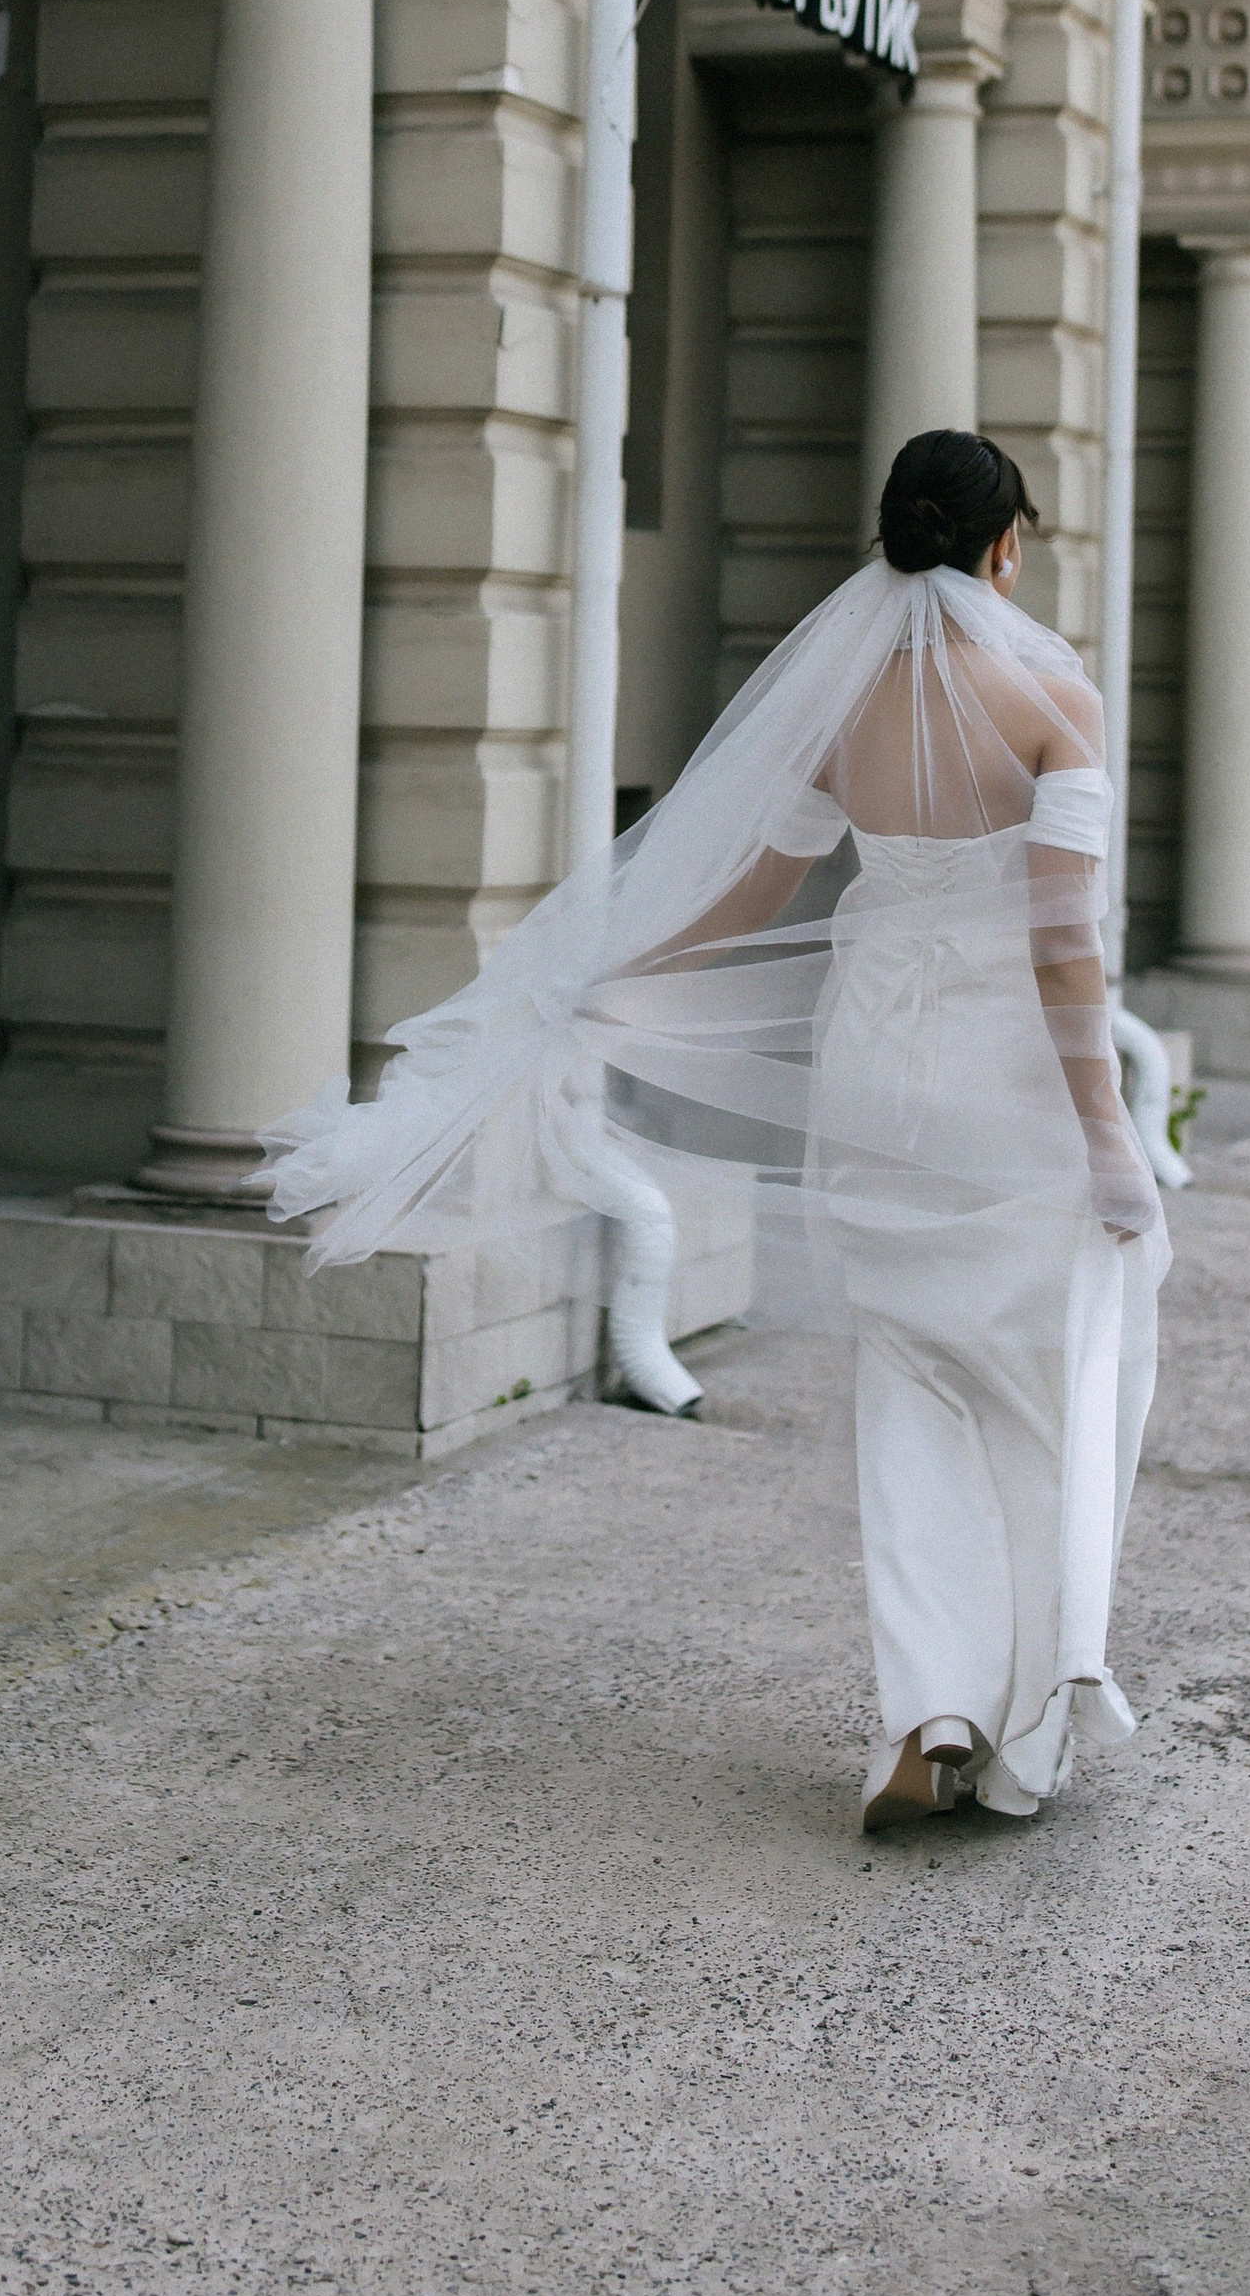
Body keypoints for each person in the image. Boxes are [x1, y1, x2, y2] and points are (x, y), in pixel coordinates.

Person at [259, 428, 1169, 1838]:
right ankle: (1033, 1721)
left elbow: (754, 892)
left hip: (877, 1064)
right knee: (1044, 1391)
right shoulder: (1056, 700)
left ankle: (928, 1709)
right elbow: (1062, 946)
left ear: (892, 542)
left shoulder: (848, 701)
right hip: (1008, 1086)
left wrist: (614, 983)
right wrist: (1110, 1132)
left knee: (911, 1382)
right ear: (1007, 547)